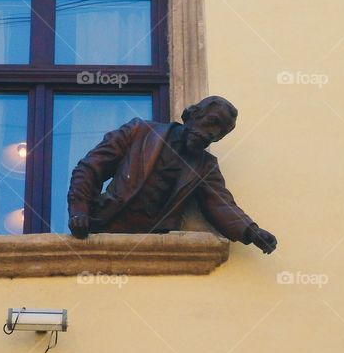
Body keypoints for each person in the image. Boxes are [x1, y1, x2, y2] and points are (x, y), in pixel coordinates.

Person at [67, 96, 277, 254]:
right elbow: (91, 167)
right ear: (193, 114)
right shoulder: (139, 131)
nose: (212, 134)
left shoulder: (205, 165)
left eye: (220, 132)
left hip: (152, 243)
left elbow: (219, 203)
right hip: (105, 226)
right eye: (213, 123)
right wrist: (79, 210)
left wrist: (252, 232)